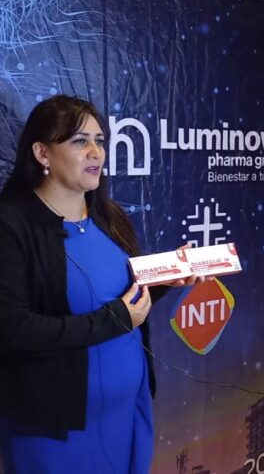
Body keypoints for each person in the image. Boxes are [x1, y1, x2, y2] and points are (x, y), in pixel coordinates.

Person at [0, 95, 199, 473]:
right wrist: (116, 319)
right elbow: (14, 331)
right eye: (80, 141)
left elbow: (121, 301)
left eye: (100, 141)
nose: (96, 152)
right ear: (42, 153)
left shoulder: (110, 217)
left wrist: (165, 279)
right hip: (55, 431)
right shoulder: (11, 226)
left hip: (126, 414)